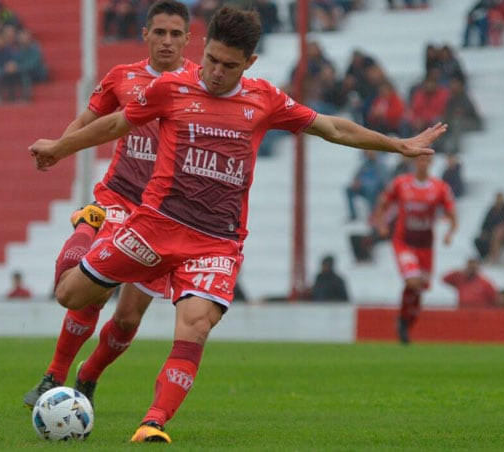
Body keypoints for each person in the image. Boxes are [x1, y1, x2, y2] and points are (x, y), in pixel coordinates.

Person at [30, 6, 446, 442]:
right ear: (204, 48)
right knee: (68, 293)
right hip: (154, 227)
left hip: (215, 244)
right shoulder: (170, 87)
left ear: (249, 64)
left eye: (229, 66)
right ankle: (87, 224)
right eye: (211, 59)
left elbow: (333, 129)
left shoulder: (264, 99)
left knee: (194, 326)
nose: (214, 72)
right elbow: (115, 123)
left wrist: (397, 145)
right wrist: (60, 148)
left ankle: (153, 423)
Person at [22, 0, 195, 409]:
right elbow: (87, 121)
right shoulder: (123, 77)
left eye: (175, 34)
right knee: (92, 293)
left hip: (164, 216)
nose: (167, 41)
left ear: (188, 38)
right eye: (159, 32)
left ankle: (88, 376)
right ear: (146, 35)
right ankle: (55, 376)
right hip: (119, 196)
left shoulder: (200, 84)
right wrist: (58, 149)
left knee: (129, 317)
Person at [373, 154, 457, 345]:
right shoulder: (401, 183)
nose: (423, 163)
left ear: (431, 163)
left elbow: (452, 214)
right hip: (404, 242)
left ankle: (405, 323)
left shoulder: (440, 188)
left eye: (426, 160)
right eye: (419, 159)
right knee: (413, 281)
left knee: (419, 290)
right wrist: (381, 224)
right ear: (413, 162)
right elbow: (384, 202)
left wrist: (450, 233)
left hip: (426, 246)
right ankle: (403, 322)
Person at [345, 149, 388, 222]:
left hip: (377, 189)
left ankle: (373, 214)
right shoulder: (365, 164)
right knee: (348, 189)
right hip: (365, 188)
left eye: (372, 151)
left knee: (370, 189)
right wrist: (356, 181)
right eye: (368, 151)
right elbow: (356, 177)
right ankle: (353, 214)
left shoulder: (381, 165)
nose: (370, 153)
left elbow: (384, 181)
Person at [473, 191, 504, 259]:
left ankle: (493, 257)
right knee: (478, 240)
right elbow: (485, 222)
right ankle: (483, 257)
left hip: (500, 233)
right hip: (489, 232)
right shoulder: (492, 209)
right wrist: (484, 231)